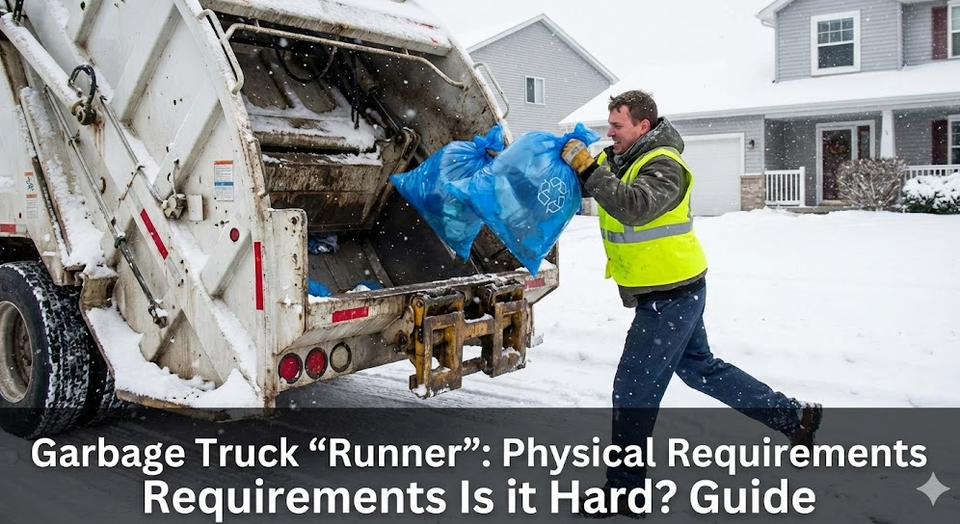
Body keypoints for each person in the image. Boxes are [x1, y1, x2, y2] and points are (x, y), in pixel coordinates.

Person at [560, 90, 822, 519]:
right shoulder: (619, 160)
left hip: (671, 295)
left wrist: (589, 167)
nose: (610, 133)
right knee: (701, 369)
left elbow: (635, 207)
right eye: (609, 125)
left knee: (633, 389)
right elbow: (592, 184)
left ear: (643, 126)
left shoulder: (665, 164)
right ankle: (795, 418)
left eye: (617, 125)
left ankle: (625, 493)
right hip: (669, 290)